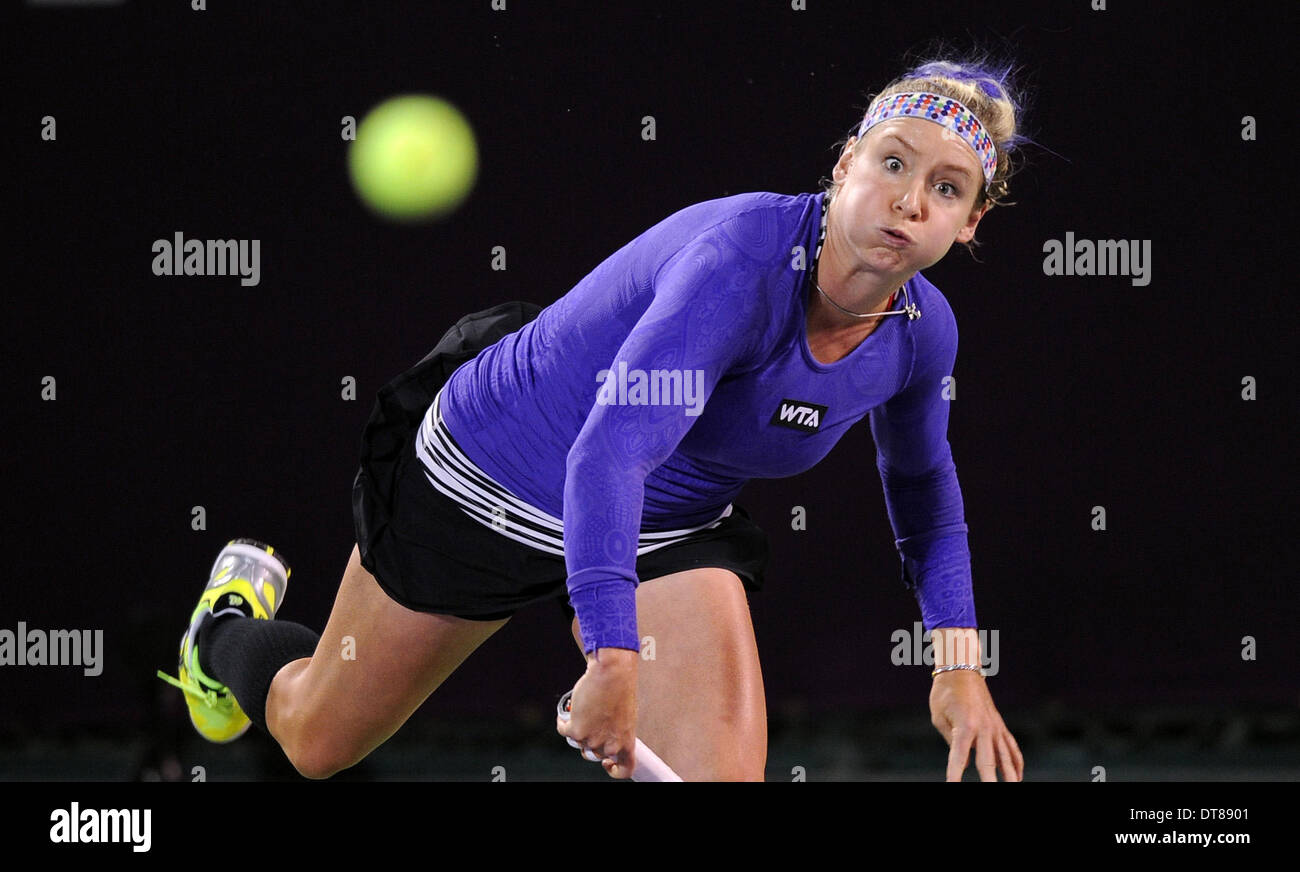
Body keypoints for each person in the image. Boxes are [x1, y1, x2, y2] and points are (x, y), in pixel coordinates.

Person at [159, 54, 1029, 782]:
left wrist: (957, 665)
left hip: (667, 521)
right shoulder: (738, 266)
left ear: (969, 223)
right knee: (316, 739)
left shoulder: (922, 335)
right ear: (845, 165)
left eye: (945, 188)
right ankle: (225, 631)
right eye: (892, 163)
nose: (910, 200)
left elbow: (922, 490)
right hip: (492, 475)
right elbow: (606, 453)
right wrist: (612, 656)